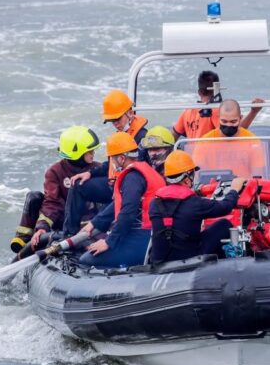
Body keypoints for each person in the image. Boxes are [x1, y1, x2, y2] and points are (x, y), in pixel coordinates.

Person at [62, 89, 149, 235]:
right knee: (78, 185)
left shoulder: (142, 138)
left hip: (127, 189)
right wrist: (89, 173)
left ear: (130, 112)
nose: (115, 124)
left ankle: (98, 231)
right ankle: (69, 234)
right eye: (111, 121)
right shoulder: (122, 134)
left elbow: (140, 174)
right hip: (112, 185)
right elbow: (110, 165)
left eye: (117, 119)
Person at [77, 132, 165, 268]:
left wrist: (108, 242)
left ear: (122, 159)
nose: (111, 162)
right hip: (154, 236)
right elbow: (120, 204)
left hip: (141, 239)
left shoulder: (132, 178)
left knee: (86, 260)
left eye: (112, 158)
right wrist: (94, 223)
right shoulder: (148, 170)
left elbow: (128, 212)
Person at [9, 126, 101, 252]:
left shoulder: (97, 169)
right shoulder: (55, 172)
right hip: (63, 223)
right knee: (34, 197)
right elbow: (52, 203)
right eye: (90, 151)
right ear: (76, 153)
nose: (93, 154)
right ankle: (23, 241)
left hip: (90, 224)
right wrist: (42, 228)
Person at [148, 151, 246, 263]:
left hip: (159, 260)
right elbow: (226, 207)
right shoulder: (195, 203)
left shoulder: (154, 203)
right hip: (189, 259)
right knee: (224, 224)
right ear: (186, 178)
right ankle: (223, 266)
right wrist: (234, 190)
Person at [172, 71, 264, 140]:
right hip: (210, 157)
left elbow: (173, 136)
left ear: (199, 92)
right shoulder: (216, 110)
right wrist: (253, 112)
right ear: (218, 89)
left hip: (191, 158)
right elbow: (236, 131)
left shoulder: (187, 111)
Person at [191, 99, 267, 179]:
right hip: (213, 188)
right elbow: (197, 174)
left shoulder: (252, 141)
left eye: (233, 122)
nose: (228, 125)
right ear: (218, 118)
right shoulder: (205, 142)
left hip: (245, 187)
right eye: (224, 121)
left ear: (240, 118)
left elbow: (258, 174)